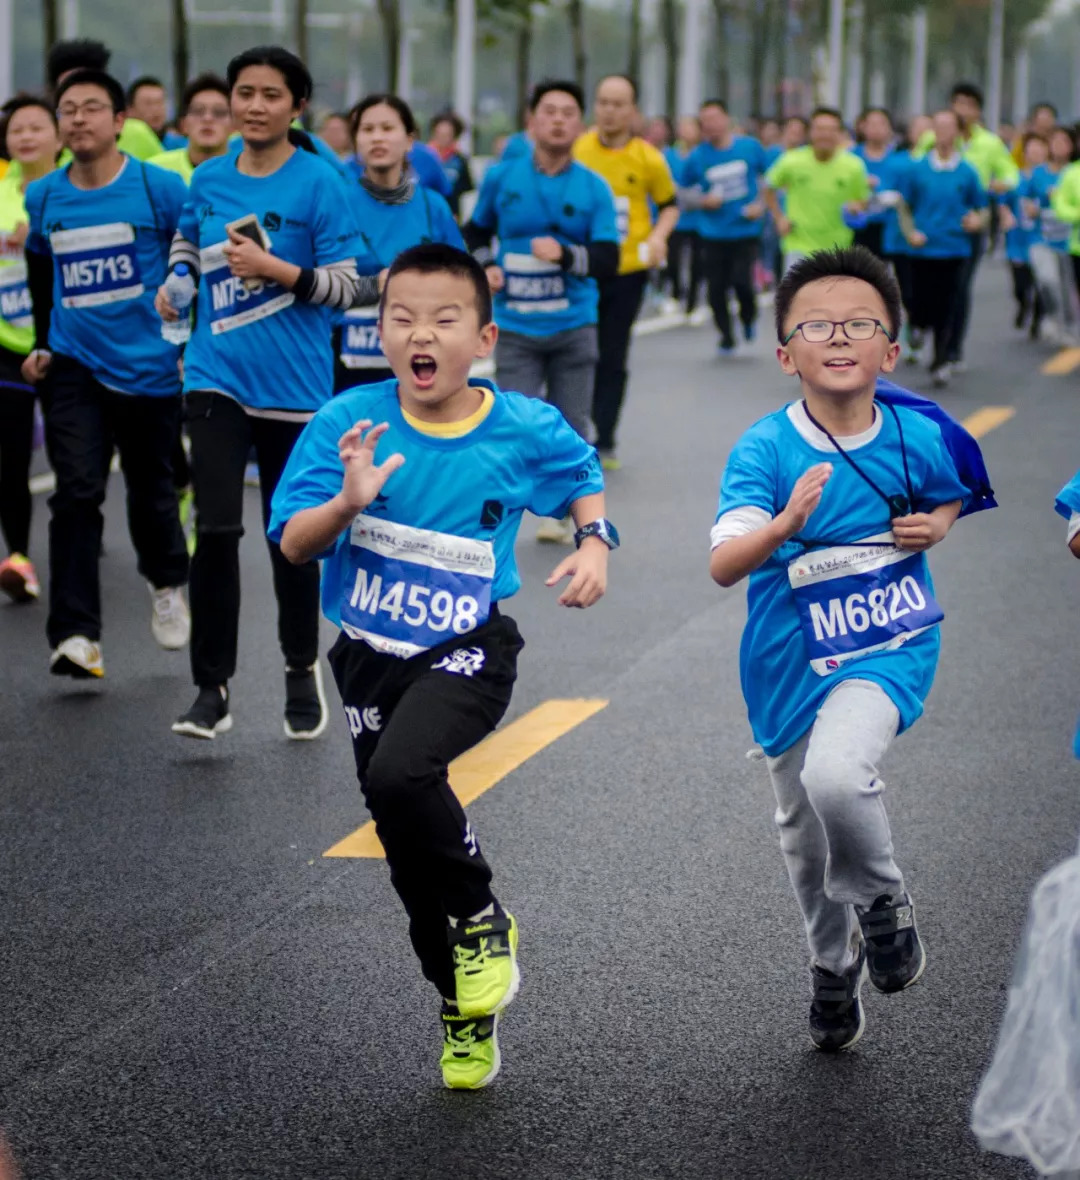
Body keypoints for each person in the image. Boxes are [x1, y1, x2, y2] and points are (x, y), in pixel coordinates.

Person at [268, 242, 614, 1089]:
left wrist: (596, 540)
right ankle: (463, 1008)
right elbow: (291, 540)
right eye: (401, 318)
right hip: (368, 657)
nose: (420, 333)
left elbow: (580, 473)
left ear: (484, 336)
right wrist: (347, 501)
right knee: (403, 839)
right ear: (381, 332)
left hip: (468, 649)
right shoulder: (347, 425)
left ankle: (485, 917)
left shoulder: (522, 426)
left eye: (443, 319)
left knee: (400, 776)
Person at [709, 246, 973, 1052]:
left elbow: (951, 491)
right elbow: (724, 564)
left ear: (889, 350)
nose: (840, 337)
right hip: (788, 664)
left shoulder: (916, 432)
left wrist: (939, 525)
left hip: (889, 643)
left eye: (861, 324)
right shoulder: (764, 449)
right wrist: (782, 528)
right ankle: (833, 963)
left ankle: (884, 903)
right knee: (803, 828)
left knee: (837, 774)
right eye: (817, 325)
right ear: (787, 352)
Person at [156, 45, 367, 740]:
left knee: (291, 541)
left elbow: (347, 287)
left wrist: (277, 268)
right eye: (243, 92)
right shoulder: (210, 177)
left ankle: (299, 666)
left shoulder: (320, 182)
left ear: (296, 106)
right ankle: (210, 689)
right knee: (214, 531)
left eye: (269, 95)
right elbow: (188, 241)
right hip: (214, 376)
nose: (252, 106)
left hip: (297, 390)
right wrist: (180, 279)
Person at [21, 68, 190, 678]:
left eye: (93, 108)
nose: (79, 119)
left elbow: (189, 256)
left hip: (149, 367)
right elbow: (42, 272)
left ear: (121, 122)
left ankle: (168, 580)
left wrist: (184, 328)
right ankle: (74, 634)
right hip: (74, 364)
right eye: (68, 109)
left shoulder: (158, 188)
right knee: (76, 492)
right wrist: (42, 342)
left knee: (151, 488)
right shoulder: (43, 196)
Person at [463, 80, 619, 543]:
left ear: (580, 125)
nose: (557, 120)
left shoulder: (594, 187)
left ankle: (567, 516)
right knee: (511, 421)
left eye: (568, 112)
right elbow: (474, 232)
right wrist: (487, 265)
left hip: (573, 324)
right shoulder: (501, 176)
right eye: (548, 111)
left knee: (572, 427)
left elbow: (609, 259)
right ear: (531, 122)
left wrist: (566, 257)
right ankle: (501, 515)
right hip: (514, 325)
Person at [572, 75, 678, 467]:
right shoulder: (578, 150)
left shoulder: (648, 158)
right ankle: (575, 431)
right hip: (583, 267)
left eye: (619, 104)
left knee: (612, 353)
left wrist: (660, 236)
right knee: (578, 351)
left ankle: (607, 437)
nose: (609, 111)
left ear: (633, 111)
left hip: (628, 269)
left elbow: (669, 204)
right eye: (603, 102)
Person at [335, 94, 463, 390]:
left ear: (409, 141)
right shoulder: (335, 203)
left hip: (421, 361)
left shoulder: (434, 207)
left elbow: (461, 283)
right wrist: (371, 288)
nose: (377, 138)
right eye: (367, 130)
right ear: (355, 142)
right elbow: (314, 284)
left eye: (387, 128)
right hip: (345, 359)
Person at [0, 97, 61, 604]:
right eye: (16, 129)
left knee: (76, 461)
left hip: (68, 341)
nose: (24, 137)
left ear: (58, 136)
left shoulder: (70, 191)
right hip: (7, 341)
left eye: (36, 127)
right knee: (12, 456)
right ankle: (19, 556)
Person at [914, 83, 1018, 369]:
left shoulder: (990, 143)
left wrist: (1000, 185)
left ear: (978, 110)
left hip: (969, 226)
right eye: (957, 103)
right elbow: (914, 173)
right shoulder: (931, 139)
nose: (963, 109)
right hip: (930, 227)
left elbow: (1011, 174)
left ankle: (951, 348)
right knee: (924, 288)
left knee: (958, 289)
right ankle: (923, 325)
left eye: (969, 104)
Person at [898, 108, 987, 387]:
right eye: (939, 127)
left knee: (948, 305)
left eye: (950, 127)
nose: (944, 133)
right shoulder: (918, 169)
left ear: (959, 133)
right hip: (923, 249)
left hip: (955, 247)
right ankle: (917, 326)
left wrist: (977, 220)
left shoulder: (967, 171)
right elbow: (904, 206)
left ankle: (940, 360)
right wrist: (910, 233)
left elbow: (982, 208)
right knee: (917, 300)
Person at [680, 98, 769, 356]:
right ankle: (726, 335)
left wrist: (760, 205)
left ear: (727, 119)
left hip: (745, 229)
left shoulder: (750, 147)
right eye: (705, 121)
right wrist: (702, 201)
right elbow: (680, 192)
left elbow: (771, 181)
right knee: (716, 287)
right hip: (712, 232)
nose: (711, 125)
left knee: (742, 281)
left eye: (715, 118)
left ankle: (749, 318)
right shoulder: (697, 156)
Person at [764, 107, 871, 271]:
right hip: (798, 245)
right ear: (810, 132)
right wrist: (779, 218)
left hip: (838, 248)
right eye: (820, 129)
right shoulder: (792, 161)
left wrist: (856, 207)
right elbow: (768, 187)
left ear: (840, 133)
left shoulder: (854, 166)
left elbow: (863, 200)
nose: (825, 135)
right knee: (797, 296)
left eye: (831, 130)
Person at [45, 40, 163, 162]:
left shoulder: (137, 133)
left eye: (85, 84)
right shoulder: (41, 140)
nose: (77, 93)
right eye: (68, 86)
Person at [1028, 126, 1077, 342]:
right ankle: (1050, 317)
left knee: (1067, 289)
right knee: (1048, 280)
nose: (1059, 146)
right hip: (1042, 238)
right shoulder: (1039, 173)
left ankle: (1065, 326)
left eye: (1064, 142)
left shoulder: (1074, 172)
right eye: (1054, 142)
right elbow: (1025, 197)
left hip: (1068, 239)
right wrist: (1030, 209)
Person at [148, 73, 232, 183]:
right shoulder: (154, 171)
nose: (207, 119)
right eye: (198, 111)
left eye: (219, 112)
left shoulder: (249, 174)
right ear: (183, 124)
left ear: (234, 125)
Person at [1003, 134, 1047, 336]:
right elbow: (1003, 202)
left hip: (1042, 239)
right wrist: (1006, 216)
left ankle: (1038, 318)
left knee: (1041, 283)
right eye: (1032, 149)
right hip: (1017, 239)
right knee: (1020, 285)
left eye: (1040, 149)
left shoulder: (1051, 178)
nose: (1036, 153)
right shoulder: (1015, 177)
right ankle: (1023, 304)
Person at [666, 115, 705, 316]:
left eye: (690, 127)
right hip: (675, 217)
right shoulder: (669, 154)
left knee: (696, 262)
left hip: (698, 217)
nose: (686, 131)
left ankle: (692, 302)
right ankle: (674, 293)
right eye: (683, 127)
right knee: (673, 259)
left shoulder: (702, 154)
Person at [851, 107, 896, 260]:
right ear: (862, 127)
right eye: (872, 124)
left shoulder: (899, 159)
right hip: (857, 227)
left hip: (889, 228)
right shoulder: (851, 157)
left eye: (881, 124)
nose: (876, 129)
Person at [427, 112, 474, 219]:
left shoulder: (459, 160)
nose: (442, 138)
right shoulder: (424, 157)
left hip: (451, 214)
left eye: (447, 134)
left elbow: (466, 187)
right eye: (439, 133)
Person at [127, 76, 186, 150]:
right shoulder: (119, 146)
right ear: (130, 110)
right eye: (148, 103)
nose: (156, 109)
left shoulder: (182, 147)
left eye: (160, 102)